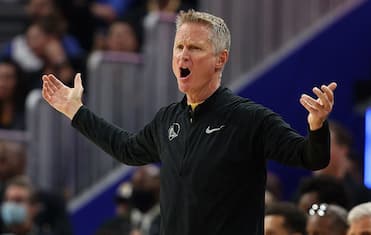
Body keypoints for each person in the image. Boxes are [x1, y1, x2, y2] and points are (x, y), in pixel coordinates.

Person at [41, 10, 337, 235]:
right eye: (179, 47)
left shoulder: (249, 118)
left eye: (194, 48)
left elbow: (311, 158)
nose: (183, 55)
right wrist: (75, 111)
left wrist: (317, 125)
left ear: (220, 60)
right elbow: (127, 149)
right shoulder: (168, 118)